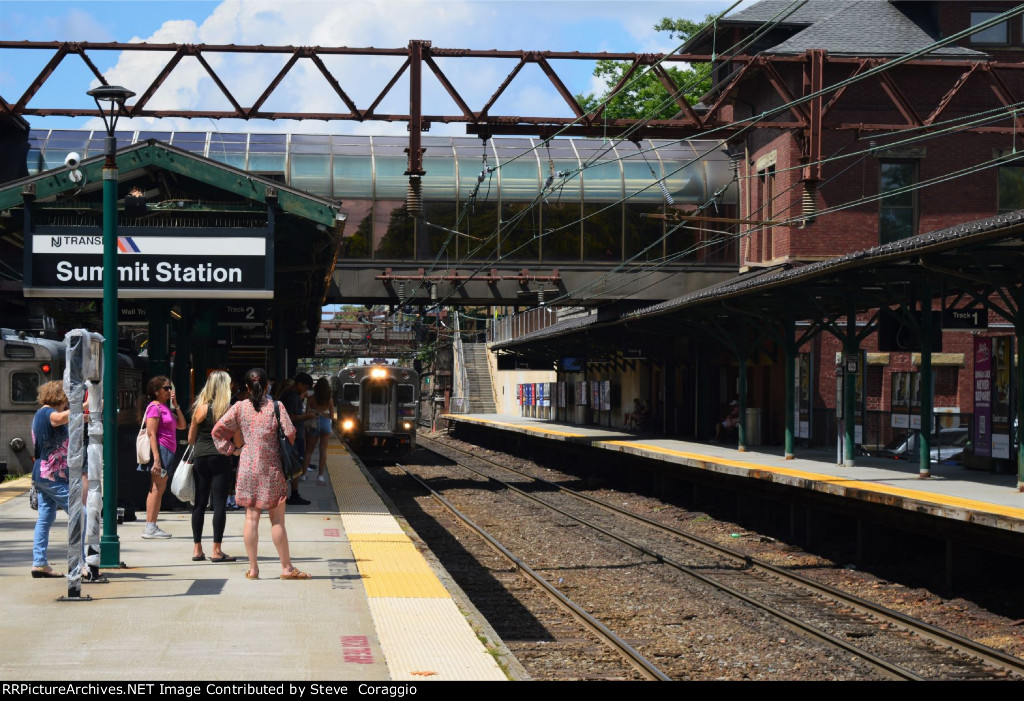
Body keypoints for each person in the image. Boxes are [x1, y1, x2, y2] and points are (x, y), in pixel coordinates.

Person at [211, 368, 310, 580]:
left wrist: (233, 450)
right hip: (272, 467)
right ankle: (286, 568)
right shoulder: (277, 406)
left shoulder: (239, 407)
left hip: (247, 467)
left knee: (251, 518)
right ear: (267, 386)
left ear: (246, 387)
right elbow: (291, 433)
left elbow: (217, 431)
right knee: (277, 521)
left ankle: (253, 569)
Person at [187, 370, 237, 562]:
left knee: (199, 503)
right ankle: (217, 550)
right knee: (219, 505)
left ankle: (197, 549)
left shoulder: (200, 408)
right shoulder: (228, 410)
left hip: (200, 457)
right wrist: (236, 448)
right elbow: (237, 439)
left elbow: (191, 439)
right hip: (221, 458)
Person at [30, 381, 73, 577]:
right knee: (79, 514)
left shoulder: (41, 414)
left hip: (45, 474)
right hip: (52, 475)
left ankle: (39, 563)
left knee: (46, 517)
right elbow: (58, 419)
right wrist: (85, 405)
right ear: (60, 397)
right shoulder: (46, 413)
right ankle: (80, 562)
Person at [138, 375, 186, 539]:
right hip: (161, 451)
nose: (169, 391)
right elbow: (151, 434)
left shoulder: (165, 407)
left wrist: (176, 405)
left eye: (170, 388)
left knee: (160, 487)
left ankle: (152, 525)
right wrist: (157, 459)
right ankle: (150, 526)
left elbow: (182, 425)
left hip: (168, 451)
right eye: (166, 388)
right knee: (157, 488)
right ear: (156, 391)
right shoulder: (154, 407)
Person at [278, 372, 314, 505]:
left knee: (290, 464)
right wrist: (307, 416)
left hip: (288, 435)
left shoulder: (287, 393)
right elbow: (291, 417)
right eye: (305, 387)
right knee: (295, 464)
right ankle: (293, 494)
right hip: (292, 436)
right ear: (299, 384)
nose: (306, 390)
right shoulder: (293, 397)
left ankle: (288, 494)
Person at [302, 377, 335, 485]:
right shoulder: (329, 399)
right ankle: (320, 476)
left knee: (309, 451)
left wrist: (315, 412)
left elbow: (307, 413)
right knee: (323, 451)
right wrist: (324, 414)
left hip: (313, 424)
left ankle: (304, 474)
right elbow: (332, 416)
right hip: (325, 424)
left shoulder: (311, 398)